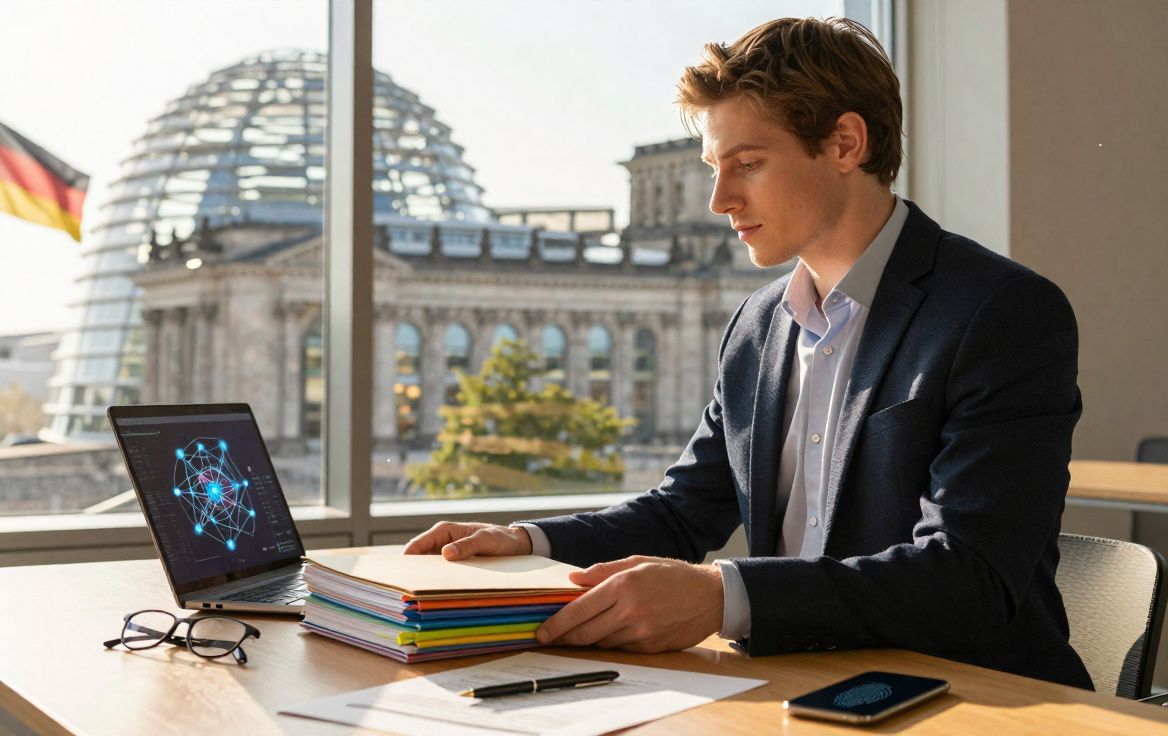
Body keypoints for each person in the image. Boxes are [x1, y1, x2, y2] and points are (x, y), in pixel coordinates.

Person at [404, 16, 1091, 690]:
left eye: (748, 164)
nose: (718, 200)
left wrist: (720, 596)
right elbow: (681, 513)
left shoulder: (999, 313)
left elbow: (970, 577)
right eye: (712, 167)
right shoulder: (759, 323)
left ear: (847, 143)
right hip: (800, 688)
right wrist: (526, 542)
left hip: (973, 700)